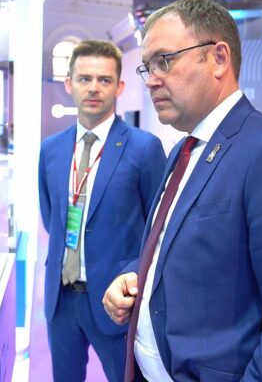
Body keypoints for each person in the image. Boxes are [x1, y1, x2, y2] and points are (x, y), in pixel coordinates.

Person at [102, 0, 262, 382]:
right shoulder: (184, 150)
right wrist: (135, 276)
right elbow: (178, 246)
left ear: (218, 58)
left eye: (164, 60)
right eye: (147, 66)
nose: (150, 79)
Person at [38, 39, 166, 382]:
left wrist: (131, 277)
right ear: (69, 84)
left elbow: (159, 229)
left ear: (119, 87)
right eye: (84, 78)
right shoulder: (50, 150)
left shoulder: (144, 148)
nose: (93, 88)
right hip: (61, 299)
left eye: (104, 80)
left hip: (116, 301)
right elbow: (51, 216)